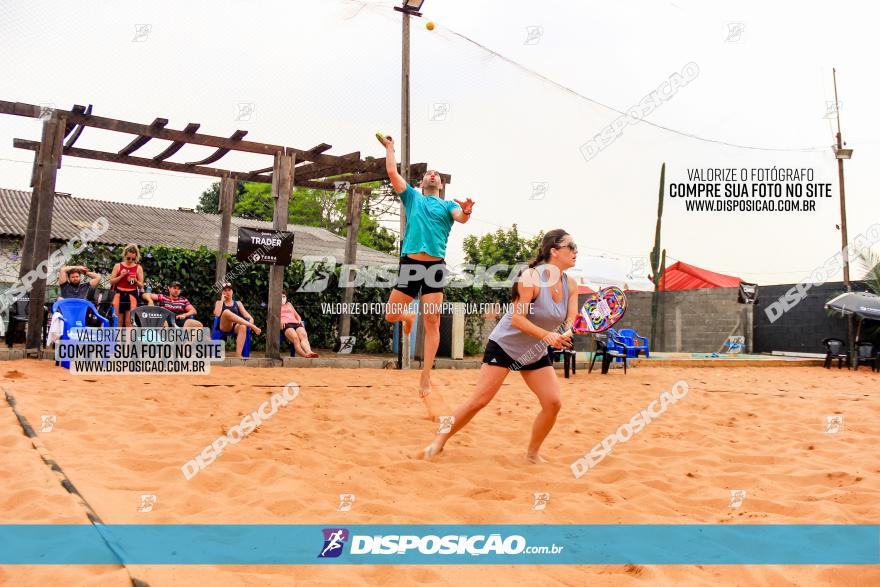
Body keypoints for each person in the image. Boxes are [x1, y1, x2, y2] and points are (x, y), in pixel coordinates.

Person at [422, 229, 580, 463]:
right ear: (555, 251)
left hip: (534, 352)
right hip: (505, 345)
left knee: (553, 403)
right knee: (480, 400)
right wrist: (549, 337)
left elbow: (570, 320)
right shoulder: (531, 278)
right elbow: (517, 319)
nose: (577, 251)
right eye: (572, 246)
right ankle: (439, 442)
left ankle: (532, 454)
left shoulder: (571, 284)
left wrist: (565, 334)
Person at [379, 134, 474, 418]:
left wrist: (467, 211)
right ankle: (408, 317)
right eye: (428, 174)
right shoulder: (412, 197)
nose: (432, 176)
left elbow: (461, 217)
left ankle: (425, 376)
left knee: (432, 321)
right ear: (422, 183)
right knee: (391, 315)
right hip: (410, 264)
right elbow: (391, 172)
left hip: (434, 268)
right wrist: (390, 148)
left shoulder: (447, 206)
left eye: (436, 175)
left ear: (441, 185)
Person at [213, 282, 261, 356]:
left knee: (243, 326)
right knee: (226, 312)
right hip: (224, 327)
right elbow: (217, 314)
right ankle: (253, 327)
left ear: (232, 292)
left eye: (229, 290)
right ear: (222, 292)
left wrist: (251, 322)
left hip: (235, 327)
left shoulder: (238, 303)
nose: (227, 292)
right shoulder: (219, 303)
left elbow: (249, 317)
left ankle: (238, 355)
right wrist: (222, 301)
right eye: (225, 290)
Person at [108, 244, 144, 327]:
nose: (131, 260)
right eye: (128, 258)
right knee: (119, 321)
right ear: (125, 256)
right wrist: (121, 276)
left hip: (132, 294)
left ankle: (128, 339)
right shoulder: (118, 266)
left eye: (133, 258)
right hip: (119, 293)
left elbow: (141, 285)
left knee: (129, 321)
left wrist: (135, 281)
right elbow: (111, 281)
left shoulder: (138, 268)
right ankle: (118, 339)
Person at [280, 292, 318, 358]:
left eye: (284, 296)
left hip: (295, 323)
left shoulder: (289, 304)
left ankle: (309, 352)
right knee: (295, 338)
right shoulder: (275, 305)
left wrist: (299, 321)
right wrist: (280, 320)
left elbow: (297, 315)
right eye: (281, 297)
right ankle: (305, 355)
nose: (282, 298)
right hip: (286, 324)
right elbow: (273, 316)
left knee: (303, 336)